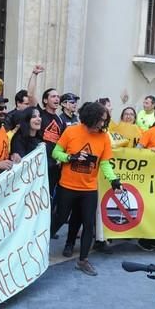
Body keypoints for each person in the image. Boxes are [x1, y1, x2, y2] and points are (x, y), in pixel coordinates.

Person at [50, 102, 121, 276]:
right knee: (59, 218)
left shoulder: (104, 137)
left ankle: (83, 261)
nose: (103, 123)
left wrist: (113, 180)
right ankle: (39, 248)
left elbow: (104, 163)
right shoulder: (72, 131)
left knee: (88, 224)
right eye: (101, 120)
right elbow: (55, 152)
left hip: (89, 188)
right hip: (67, 186)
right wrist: (70, 157)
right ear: (91, 118)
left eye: (105, 120)